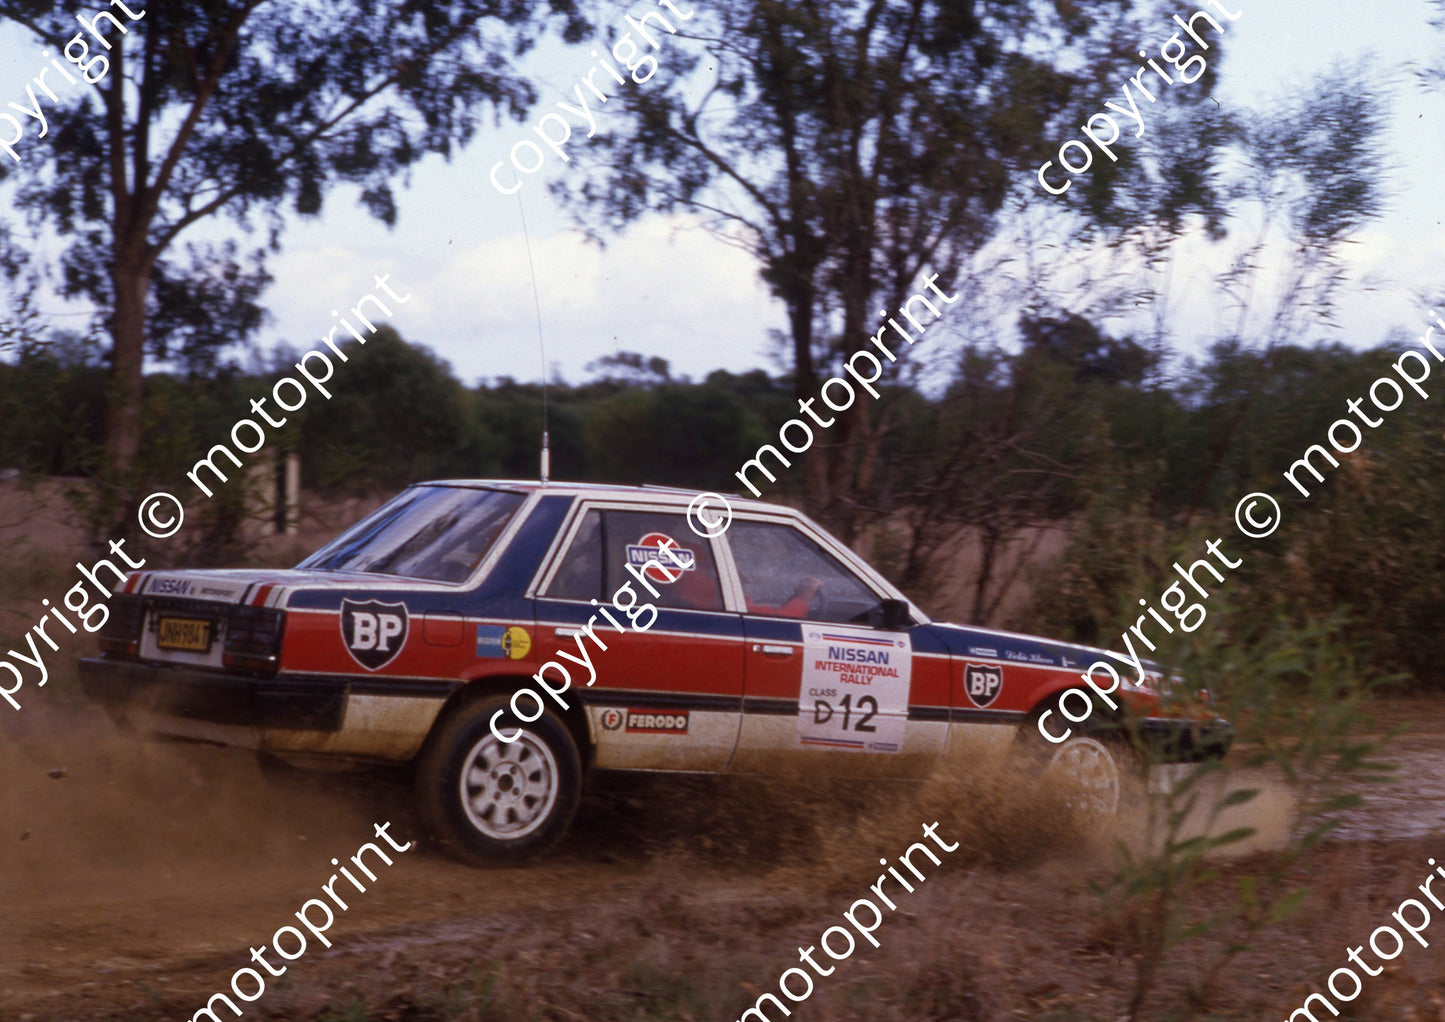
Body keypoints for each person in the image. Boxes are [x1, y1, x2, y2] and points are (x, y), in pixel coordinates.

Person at [745, 575, 822, 618]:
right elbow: (786, 619)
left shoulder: (743, 604)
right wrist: (804, 598)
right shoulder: (745, 608)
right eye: (744, 584)